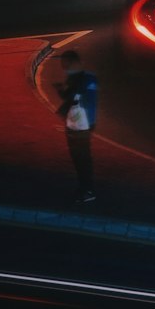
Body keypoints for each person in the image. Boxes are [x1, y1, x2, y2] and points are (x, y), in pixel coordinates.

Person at [54, 48, 98, 203]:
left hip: (81, 125)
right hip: (78, 124)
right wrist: (61, 90)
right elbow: (69, 96)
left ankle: (88, 190)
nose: (64, 68)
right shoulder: (82, 78)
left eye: (66, 64)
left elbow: (73, 97)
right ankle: (84, 188)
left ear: (74, 63)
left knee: (82, 159)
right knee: (79, 158)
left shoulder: (84, 79)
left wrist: (63, 99)